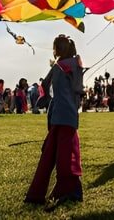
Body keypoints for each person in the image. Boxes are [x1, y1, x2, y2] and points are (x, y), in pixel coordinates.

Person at [25, 35, 85, 209]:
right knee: (66, 154)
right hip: (68, 116)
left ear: (56, 50)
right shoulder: (75, 65)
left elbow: (44, 85)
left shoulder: (59, 67)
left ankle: (50, 191)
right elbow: (78, 90)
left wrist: (47, 99)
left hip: (59, 115)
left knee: (52, 155)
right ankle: (72, 191)